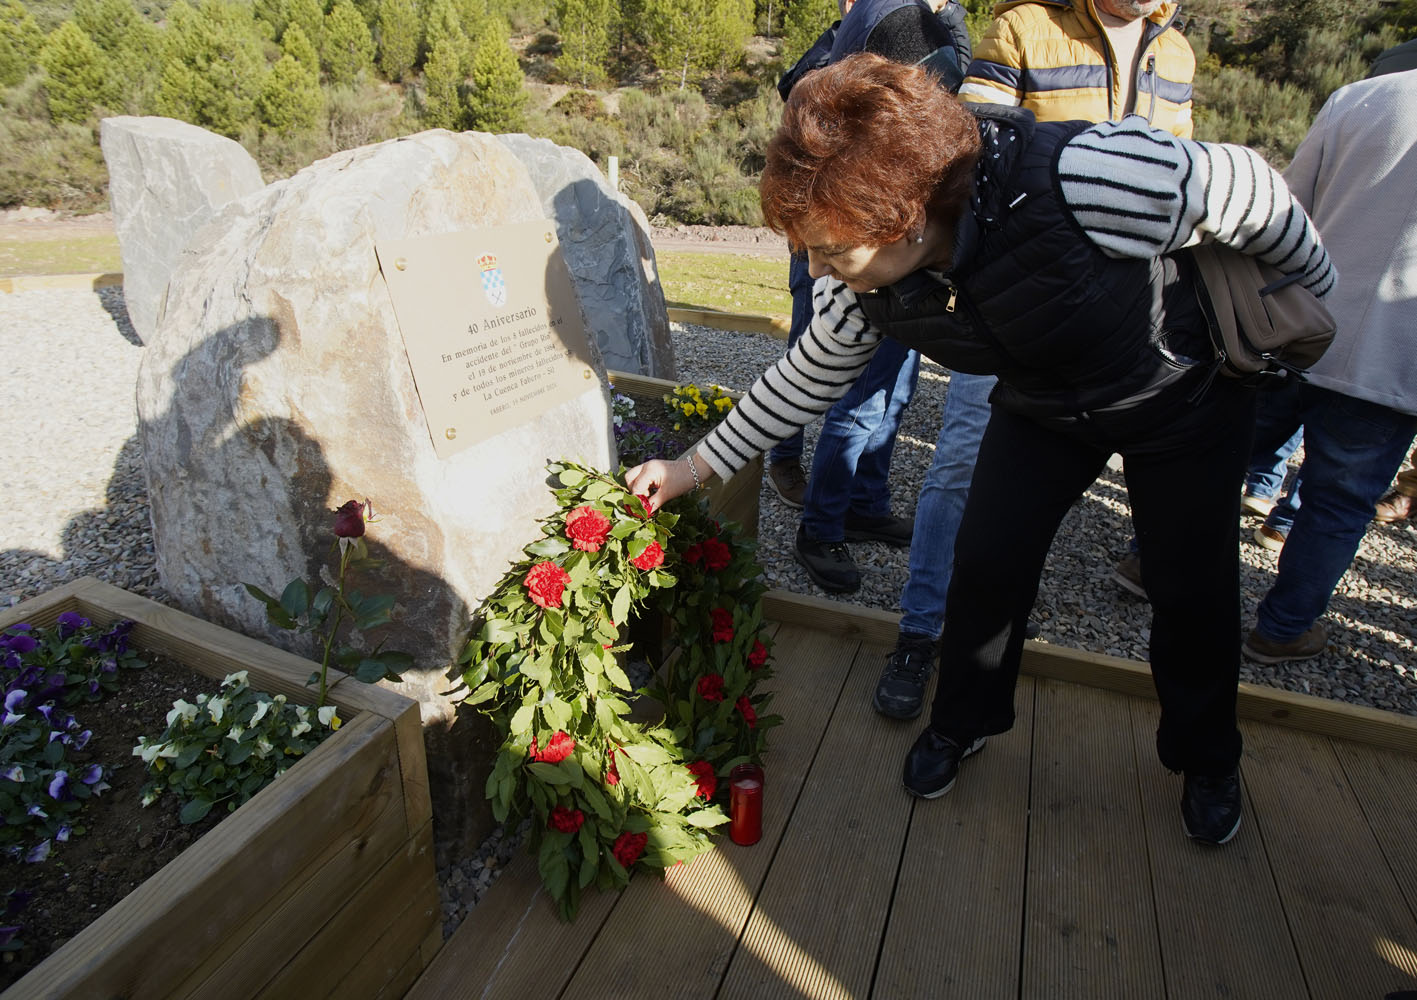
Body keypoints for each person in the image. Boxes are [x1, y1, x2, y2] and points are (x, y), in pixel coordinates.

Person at [628, 54, 1332, 845]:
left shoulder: (1088, 178)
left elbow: (1250, 187)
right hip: (1043, 404)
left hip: (1180, 398)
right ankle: (960, 721)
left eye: (829, 249)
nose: (812, 267)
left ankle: (1206, 759)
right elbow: (804, 376)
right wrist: (688, 467)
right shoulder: (864, 284)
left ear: (910, 215)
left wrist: (1310, 291)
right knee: (987, 566)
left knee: (1188, 589)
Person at [879, 0, 1196, 717]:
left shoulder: (1174, 51)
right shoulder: (1025, 25)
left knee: (1172, 516)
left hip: (1127, 315)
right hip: (1015, 298)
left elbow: (1183, 168)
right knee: (962, 467)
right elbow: (967, 150)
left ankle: (1193, 734)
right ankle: (920, 634)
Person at [766, 0, 971, 596]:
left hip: (885, 241)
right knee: (855, 399)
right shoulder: (884, 23)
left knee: (892, 392)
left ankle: (864, 502)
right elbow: (803, 377)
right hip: (857, 232)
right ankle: (823, 526)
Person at [1240, 68, 1417, 665]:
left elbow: (1287, 207)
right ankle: (1282, 629)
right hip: (1396, 358)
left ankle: (1149, 565)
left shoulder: (1368, 95)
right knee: (1339, 505)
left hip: (1299, 322)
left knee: (1221, 456)